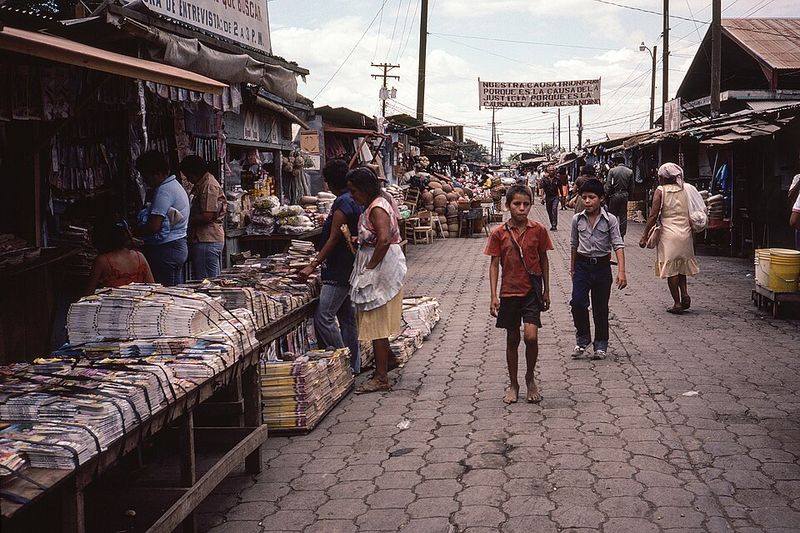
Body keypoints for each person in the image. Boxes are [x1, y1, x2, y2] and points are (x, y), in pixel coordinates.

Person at [486, 184, 552, 405]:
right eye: (517, 204)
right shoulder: (499, 233)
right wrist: (493, 295)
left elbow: (544, 259)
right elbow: (494, 264)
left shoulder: (539, 230)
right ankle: (513, 383)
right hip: (509, 292)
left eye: (526, 204)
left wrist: (546, 290)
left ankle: (530, 377)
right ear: (507, 206)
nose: (521, 208)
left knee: (531, 337)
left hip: (531, 292)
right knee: (512, 338)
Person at [300, 160, 363, 374]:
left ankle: (344, 362)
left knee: (324, 315)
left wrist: (312, 264)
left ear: (330, 182)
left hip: (339, 267)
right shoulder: (352, 200)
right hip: (348, 264)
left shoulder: (342, 203)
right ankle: (354, 365)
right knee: (346, 316)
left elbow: (334, 238)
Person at [348, 167, 407, 393]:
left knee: (377, 321)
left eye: (354, 191)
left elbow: (383, 240)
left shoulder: (377, 208)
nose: (352, 196)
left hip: (381, 267)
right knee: (375, 318)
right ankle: (386, 362)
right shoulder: (375, 205)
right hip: (379, 263)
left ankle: (381, 377)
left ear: (364, 189)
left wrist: (370, 268)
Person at [569, 179, 627, 360]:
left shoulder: (610, 220)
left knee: (600, 307)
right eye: (584, 197)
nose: (587, 201)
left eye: (591, 197)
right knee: (577, 303)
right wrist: (572, 269)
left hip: (602, 268)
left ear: (601, 199)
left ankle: (601, 344)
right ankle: (583, 338)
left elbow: (618, 244)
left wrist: (622, 271)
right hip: (582, 266)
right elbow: (573, 244)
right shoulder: (576, 219)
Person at [639, 163, 700, 314]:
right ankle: (685, 293)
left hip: (669, 233)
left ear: (662, 178)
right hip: (685, 233)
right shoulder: (686, 189)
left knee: (671, 269)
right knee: (681, 266)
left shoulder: (661, 191)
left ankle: (677, 303)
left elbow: (653, 215)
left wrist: (644, 236)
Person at [134, 151, 190, 286]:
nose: (146, 181)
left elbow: (154, 226)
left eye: (146, 177)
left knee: (166, 294)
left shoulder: (164, 191)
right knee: (175, 293)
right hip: (178, 244)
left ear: (157, 173)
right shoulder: (175, 185)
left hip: (167, 248)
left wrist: (136, 233)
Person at [179, 155, 226, 280]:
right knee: (210, 280)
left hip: (207, 238)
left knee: (207, 282)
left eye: (188, 175)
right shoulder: (204, 183)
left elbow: (207, 216)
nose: (188, 179)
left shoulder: (208, 185)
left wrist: (185, 219)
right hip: (205, 239)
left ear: (194, 172)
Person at [86, 220, 154, 294]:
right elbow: (152, 286)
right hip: (139, 302)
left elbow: (90, 292)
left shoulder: (102, 261)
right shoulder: (140, 257)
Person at [605, 153, 635, 239]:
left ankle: (611, 234)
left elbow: (609, 185)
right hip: (624, 195)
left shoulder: (612, 171)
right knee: (623, 216)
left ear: (617, 162)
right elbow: (632, 186)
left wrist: (607, 194)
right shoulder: (630, 171)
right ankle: (621, 236)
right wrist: (629, 195)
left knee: (612, 216)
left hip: (615, 195)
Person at [540, 165, 561, 231]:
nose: (551, 171)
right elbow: (542, 188)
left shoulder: (557, 179)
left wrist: (562, 196)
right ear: (548, 171)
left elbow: (560, 188)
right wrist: (542, 197)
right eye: (550, 170)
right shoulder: (544, 179)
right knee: (549, 211)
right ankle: (552, 223)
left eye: (553, 170)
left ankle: (554, 225)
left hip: (555, 196)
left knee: (554, 210)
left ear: (555, 171)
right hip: (548, 197)